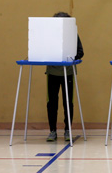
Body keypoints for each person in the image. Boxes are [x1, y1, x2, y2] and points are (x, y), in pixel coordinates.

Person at [46, 12, 84, 142]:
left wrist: (70, 57)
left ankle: (68, 130)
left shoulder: (73, 35)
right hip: (52, 73)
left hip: (68, 73)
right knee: (52, 103)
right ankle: (52, 131)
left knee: (68, 103)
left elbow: (80, 52)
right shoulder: (49, 36)